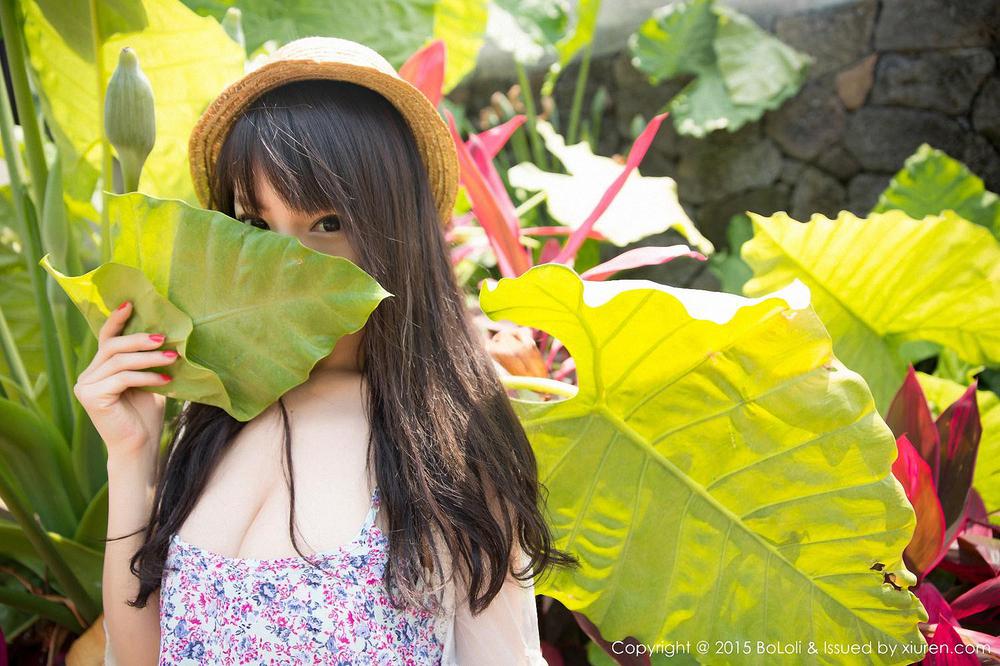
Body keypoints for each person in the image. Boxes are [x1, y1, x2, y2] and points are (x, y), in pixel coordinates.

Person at [79, 36, 577, 664]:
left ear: (396, 234)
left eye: (328, 224)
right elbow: (140, 657)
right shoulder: (211, 423)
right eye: (255, 227)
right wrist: (129, 456)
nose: (285, 263)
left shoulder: (446, 450)